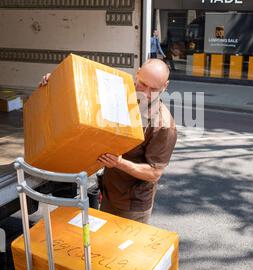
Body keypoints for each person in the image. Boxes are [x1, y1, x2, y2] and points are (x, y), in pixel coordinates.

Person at [39, 59, 177, 224]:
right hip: (108, 192)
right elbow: (86, 90)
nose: (146, 93)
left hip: (132, 205)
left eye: (154, 89)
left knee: (124, 248)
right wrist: (55, 82)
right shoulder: (123, 93)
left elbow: (154, 173)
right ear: (137, 73)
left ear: (165, 86)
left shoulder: (163, 125)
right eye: (142, 84)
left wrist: (118, 163)